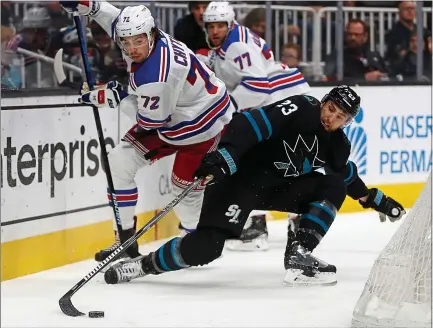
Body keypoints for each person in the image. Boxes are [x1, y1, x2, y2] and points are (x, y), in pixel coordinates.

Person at [104, 85, 406, 286]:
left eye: (340, 117)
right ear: (324, 102)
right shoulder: (302, 108)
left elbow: (346, 175)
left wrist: (375, 199)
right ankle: (144, 266)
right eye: (331, 109)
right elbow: (251, 124)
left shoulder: (337, 143)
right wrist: (225, 156)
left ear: (347, 121)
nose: (331, 118)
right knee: (205, 248)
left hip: (276, 189)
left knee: (333, 186)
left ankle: (299, 253)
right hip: (238, 182)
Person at [59, 0, 236, 262]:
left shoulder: (157, 75)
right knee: (118, 163)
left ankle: (196, 240)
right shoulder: (140, 33)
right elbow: (112, 18)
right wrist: (87, 4)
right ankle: (126, 240)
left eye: (138, 41)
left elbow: (152, 122)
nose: (131, 49)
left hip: (200, 122)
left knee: (183, 193)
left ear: (151, 34)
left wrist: (114, 96)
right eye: (126, 42)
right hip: (174, 109)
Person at [200, 1, 311, 251]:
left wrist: (230, 109)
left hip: (280, 102)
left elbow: (259, 87)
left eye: (220, 25)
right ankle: (296, 222)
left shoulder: (237, 45)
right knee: (279, 163)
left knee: (261, 162)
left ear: (230, 24)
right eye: (211, 26)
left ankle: (259, 227)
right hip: (286, 99)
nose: (215, 31)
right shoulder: (229, 43)